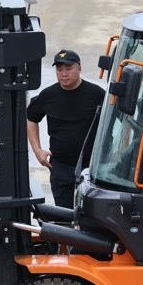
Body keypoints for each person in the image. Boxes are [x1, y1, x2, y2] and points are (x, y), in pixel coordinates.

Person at [27, 49, 106, 209]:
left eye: (68, 69)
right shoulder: (48, 96)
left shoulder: (96, 94)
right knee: (64, 218)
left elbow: (118, 120)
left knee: (93, 216)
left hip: (92, 167)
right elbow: (31, 119)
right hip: (61, 168)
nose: (63, 74)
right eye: (59, 69)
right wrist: (37, 150)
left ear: (79, 68)